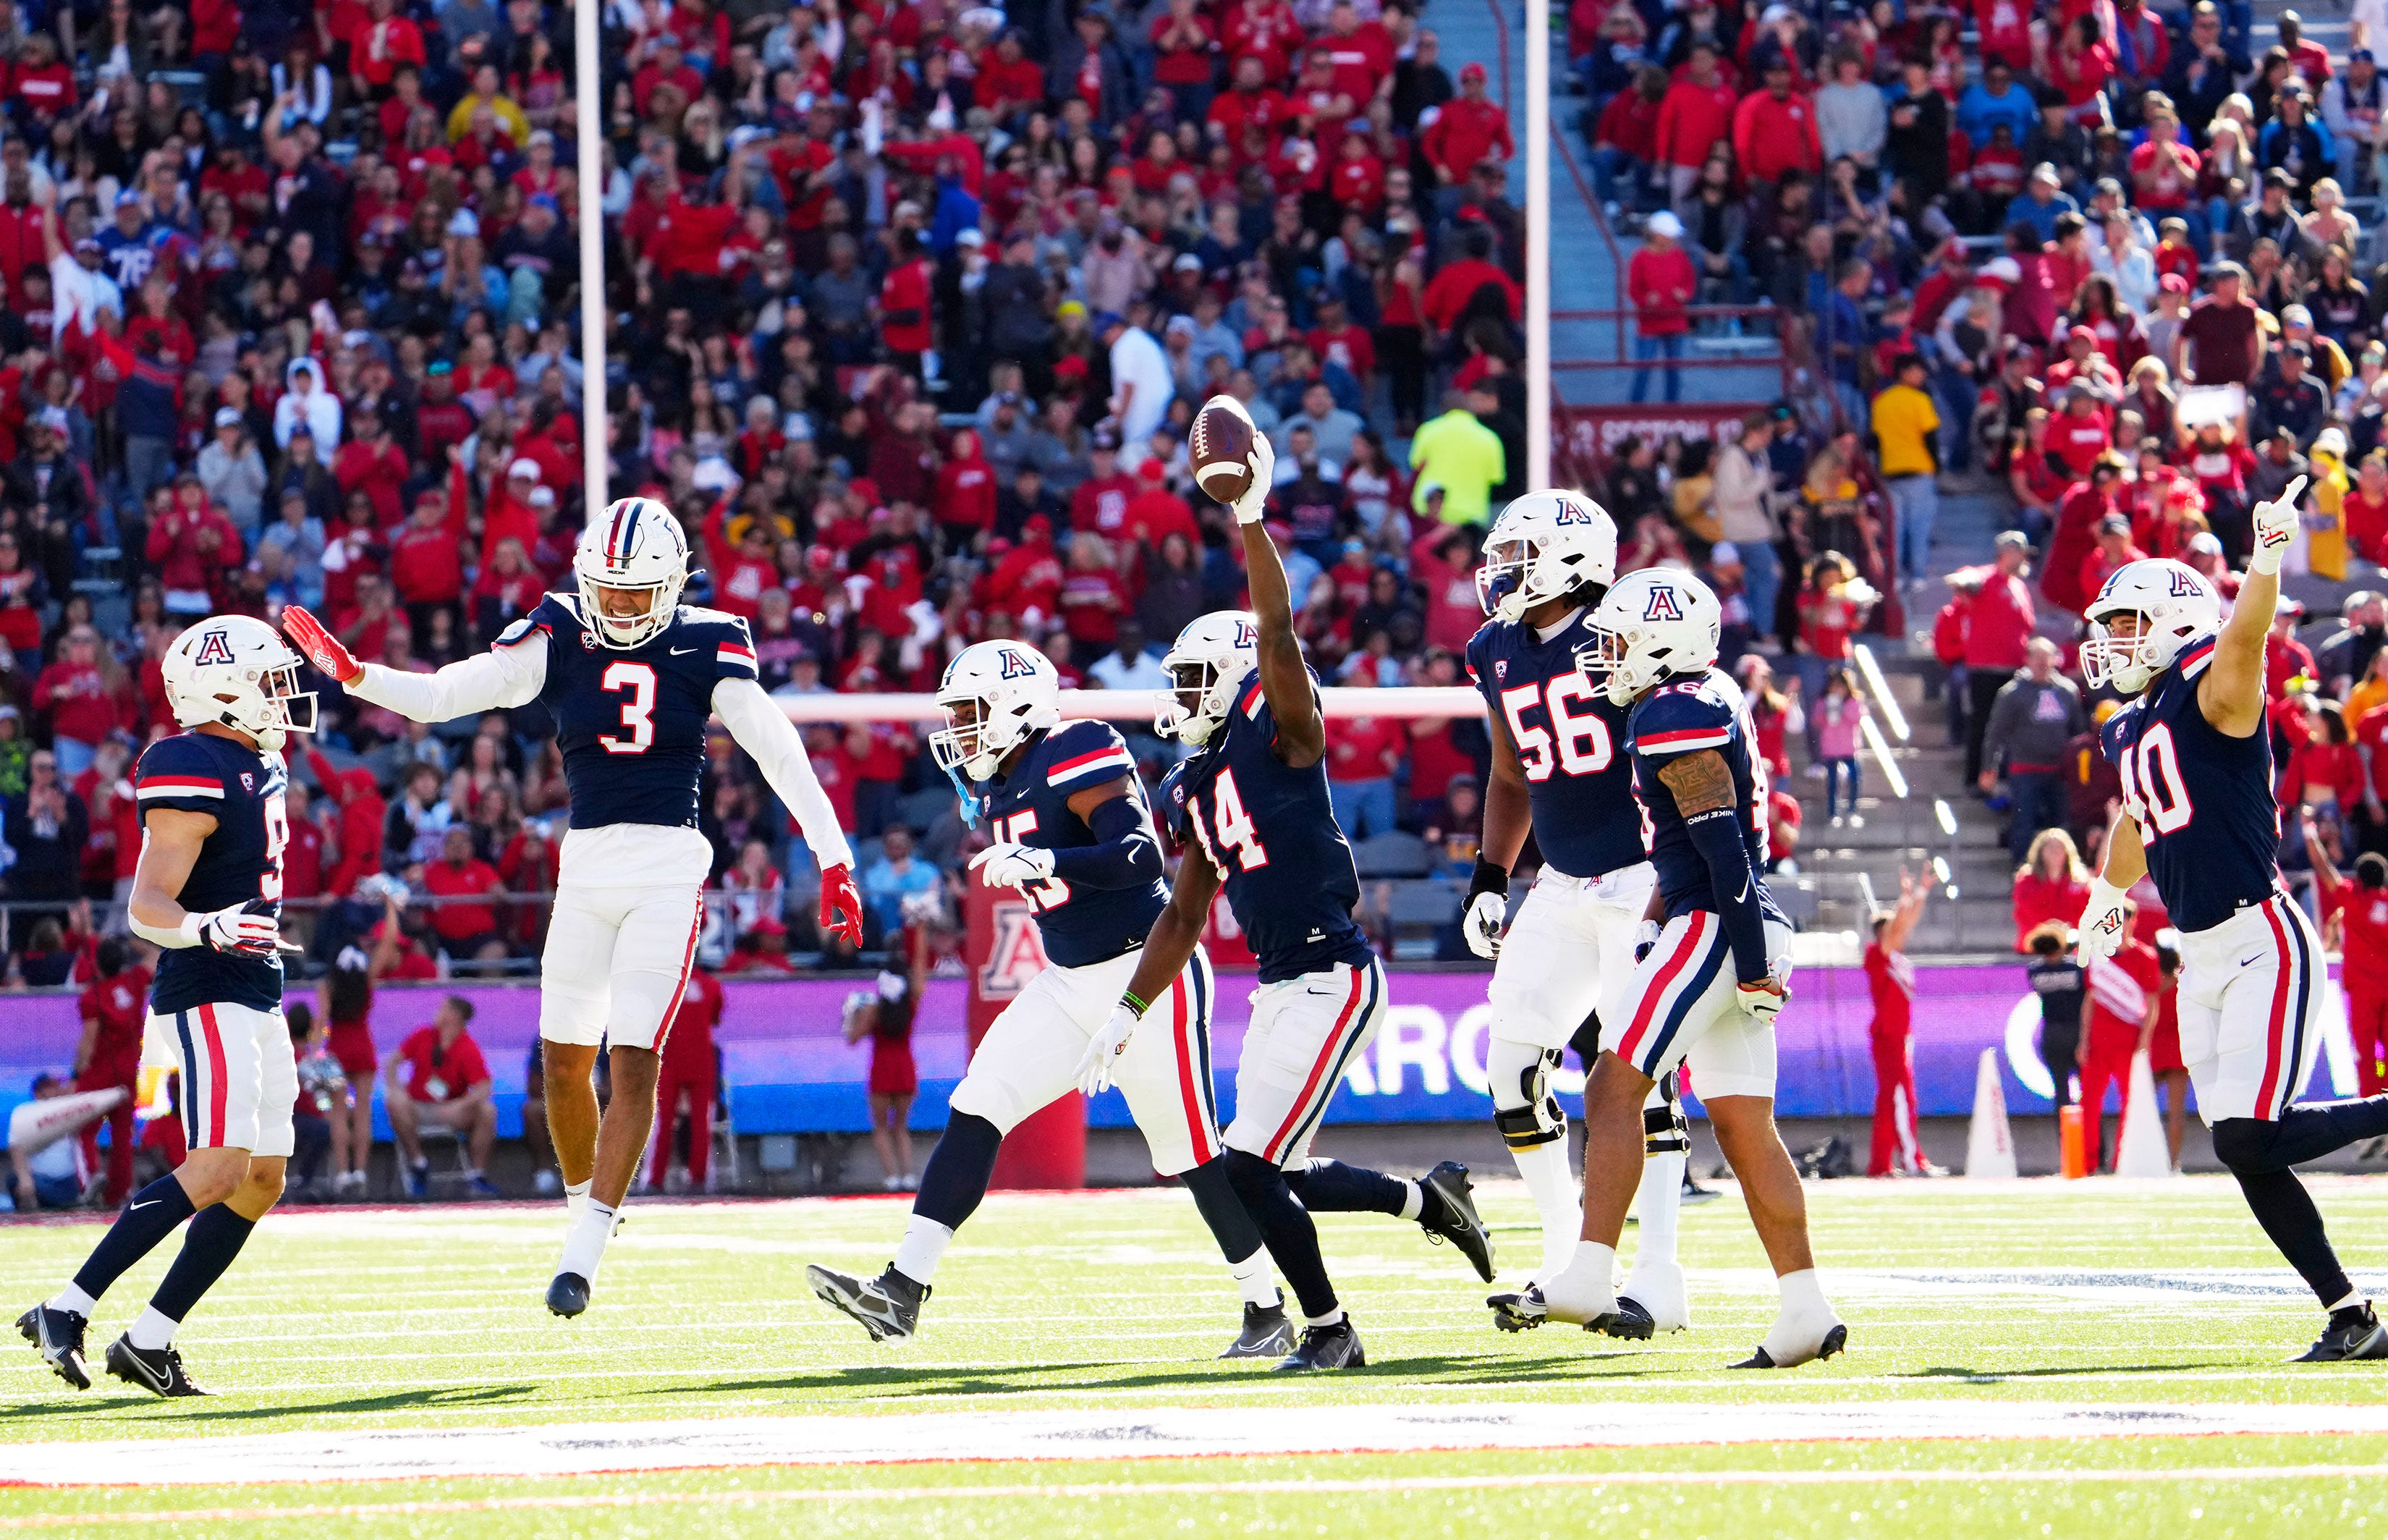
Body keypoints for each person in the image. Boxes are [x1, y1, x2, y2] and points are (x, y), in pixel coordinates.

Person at [280, 496, 865, 1317]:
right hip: (584, 869)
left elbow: (775, 745)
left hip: (667, 867)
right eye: (610, 592)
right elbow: (451, 693)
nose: (622, 606)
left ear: (671, 585)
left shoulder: (710, 636)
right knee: (561, 1062)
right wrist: (357, 675)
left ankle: (582, 1250)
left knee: (633, 1058)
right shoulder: (557, 626)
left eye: (637, 594)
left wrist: (832, 853)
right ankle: (589, 1210)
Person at [1101, 427, 1496, 1372]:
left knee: (1247, 1171)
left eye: (1198, 677)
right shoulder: (1193, 782)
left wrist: (1248, 521)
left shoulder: (1278, 731)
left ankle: (1330, 1332)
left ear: (1238, 678)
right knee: (1269, 1175)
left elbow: (1278, 633)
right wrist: (1126, 1009)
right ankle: (1429, 1200)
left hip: (1333, 971)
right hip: (1280, 984)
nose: (1182, 693)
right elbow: (1185, 914)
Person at [811, 633, 1305, 1359]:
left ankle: (1267, 1307)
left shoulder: (1075, 745)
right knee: (978, 1102)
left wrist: (1045, 857)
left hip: (1147, 975)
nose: (960, 729)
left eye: (973, 711)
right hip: (1067, 977)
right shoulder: (1003, 779)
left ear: (1017, 706)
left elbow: (1138, 853)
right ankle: (902, 1290)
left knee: (1191, 1153)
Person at [1504, 567, 1845, 1370]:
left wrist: (1749, 958)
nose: (1605, 656)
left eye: (1618, 641)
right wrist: (1660, 917)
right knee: (1742, 1122)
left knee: (1613, 1085)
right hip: (1719, 916)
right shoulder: (1700, 696)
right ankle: (1804, 1305)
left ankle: (1590, 1271)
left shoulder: (1673, 712)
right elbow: (1691, 844)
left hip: (1721, 926)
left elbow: (1722, 845)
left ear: (1661, 644)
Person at [2080, 482, 2388, 1360]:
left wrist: (2266, 556)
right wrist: (2108, 896)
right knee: (2241, 1146)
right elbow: (2138, 819)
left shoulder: (2215, 691)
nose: (2111, 643)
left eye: (2128, 625)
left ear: (2174, 624)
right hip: (2198, 954)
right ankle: (2351, 1313)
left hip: (2263, 939)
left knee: (2250, 1133)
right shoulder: (2130, 723)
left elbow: (2246, 639)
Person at [20, 617, 314, 1397]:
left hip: (257, 984)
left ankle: (149, 1340)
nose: (285, 695)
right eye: (271, 681)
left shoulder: (257, 761)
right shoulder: (190, 763)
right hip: (207, 983)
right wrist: (207, 925)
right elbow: (145, 908)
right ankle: (66, 1308)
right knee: (218, 1165)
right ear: (225, 690)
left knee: (262, 1178)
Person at [1457, 491, 1693, 1330]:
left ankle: (1659, 1277)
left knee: (1641, 1075)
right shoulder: (1495, 648)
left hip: (1643, 876)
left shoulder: (1622, 631)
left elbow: (1683, 744)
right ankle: (1567, 1259)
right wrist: (1491, 874)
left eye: (1520, 556)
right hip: (1561, 880)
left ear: (1572, 559)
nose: (1502, 574)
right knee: (1512, 1068)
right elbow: (1513, 773)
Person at [1982, 638, 2089, 862]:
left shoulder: (2067, 691)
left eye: (2047, 657)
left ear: (2055, 659)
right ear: (2028, 660)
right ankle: (2021, 872)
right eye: (2037, 657)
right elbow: (1996, 733)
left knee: (2061, 826)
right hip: (2025, 770)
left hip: (2059, 772)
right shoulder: (2012, 694)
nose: (2042, 662)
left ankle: (2064, 874)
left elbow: (2078, 734)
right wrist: (1989, 767)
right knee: (2024, 823)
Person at [2306, 809, 2388, 1099]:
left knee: (2367, 1055)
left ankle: (2373, 1108)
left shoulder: (2353, 899)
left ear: (2361, 880)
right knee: (2386, 1057)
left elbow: (2323, 867)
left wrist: (2309, 831)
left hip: (2365, 992)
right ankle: (2386, 1093)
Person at [2078, 897, 2162, 1172]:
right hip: (2098, 1042)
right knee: (2089, 1104)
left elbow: (2151, 1003)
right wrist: (2083, 1039)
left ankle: (2122, 1162)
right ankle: (2087, 1162)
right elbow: (2091, 1000)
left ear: (2133, 921)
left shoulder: (2146, 957)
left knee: (2130, 1103)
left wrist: (2144, 1041)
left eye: (2124, 919)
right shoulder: (2097, 957)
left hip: (2128, 1042)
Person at [384, 997, 498, 1196]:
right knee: (395, 1102)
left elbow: (484, 1087)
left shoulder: (467, 1047)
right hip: (417, 1106)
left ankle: (477, 1174)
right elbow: (393, 1061)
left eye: (443, 1008)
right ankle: (418, 1163)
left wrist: (461, 1105)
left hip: (450, 1111)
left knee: (487, 1111)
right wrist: (394, 1087)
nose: (437, 1011)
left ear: (454, 1016)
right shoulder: (423, 1035)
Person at [1866, 870, 1933, 1177]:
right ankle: (1911, 1159)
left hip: (1899, 1036)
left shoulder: (1897, 960)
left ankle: (1882, 1162)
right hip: (1888, 1036)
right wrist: (1906, 897)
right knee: (1901, 1098)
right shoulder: (1877, 956)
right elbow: (1898, 928)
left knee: (1892, 1099)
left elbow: (1905, 924)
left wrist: (1921, 892)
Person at [72, 937, 148, 1209]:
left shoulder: (92, 996)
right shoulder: (135, 981)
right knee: (122, 1137)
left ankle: (92, 1177)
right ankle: (118, 1193)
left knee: (82, 1129)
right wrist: (132, 938)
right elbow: (155, 956)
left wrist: (75, 1073)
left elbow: (89, 1042)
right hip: (127, 1074)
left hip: (99, 1075)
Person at [648, 963, 724, 1195]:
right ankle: (698, 1179)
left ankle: (654, 1180)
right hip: (701, 1060)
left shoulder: (662, 985)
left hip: (670, 1061)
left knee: (662, 1123)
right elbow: (715, 1019)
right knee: (702, 1124)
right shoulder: (711, 985)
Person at [2025, 921, 2086, 1110]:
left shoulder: (2034, 971)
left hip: (2051, 1033)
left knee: (2061, 1092)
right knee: (2088, 1091)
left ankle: (2065, 1137)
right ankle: (2094, 1138)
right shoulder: (2077, 969)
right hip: (2078, 1032)